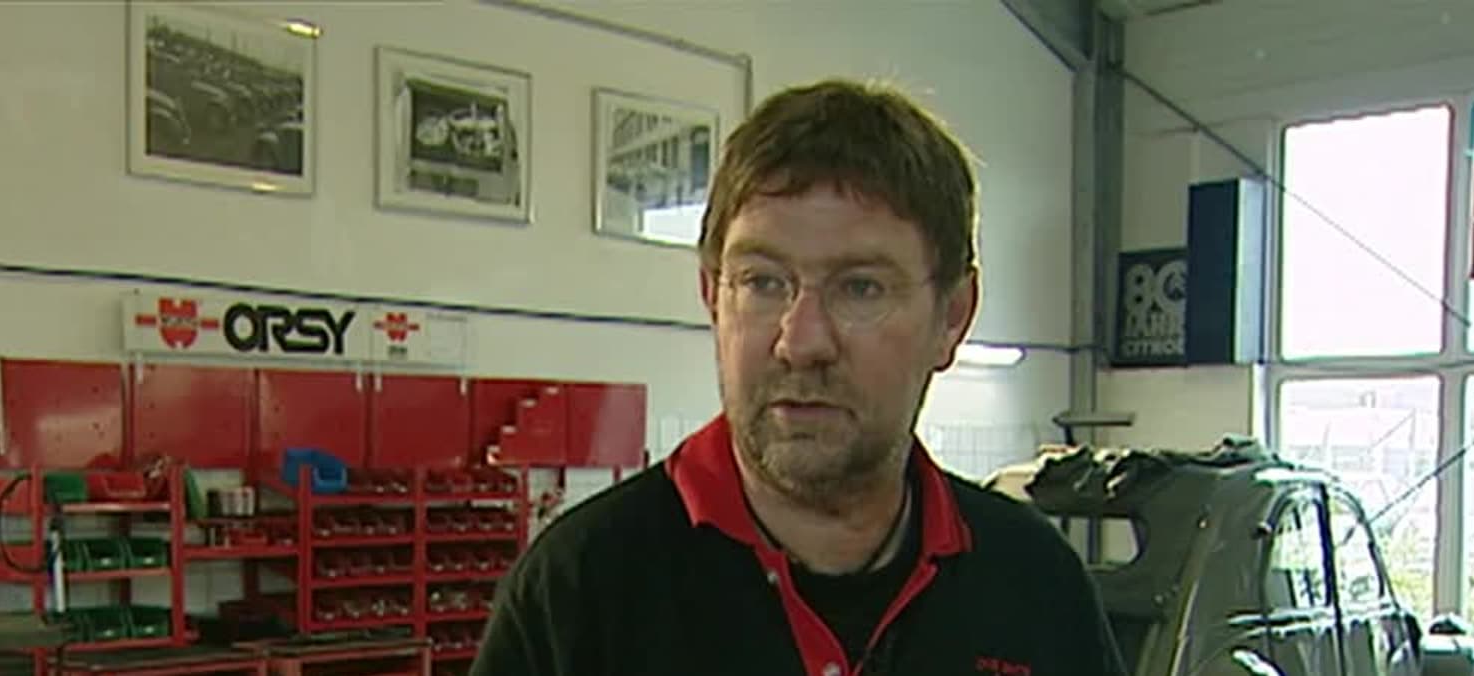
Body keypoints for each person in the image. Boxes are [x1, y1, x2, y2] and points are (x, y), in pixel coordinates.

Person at [469, 79, 1127, 676]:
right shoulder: (576, 593)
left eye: (861, 287)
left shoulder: (1038, 585)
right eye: (763, 282)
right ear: (713, 296)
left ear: (952, 316)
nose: (801, 341)